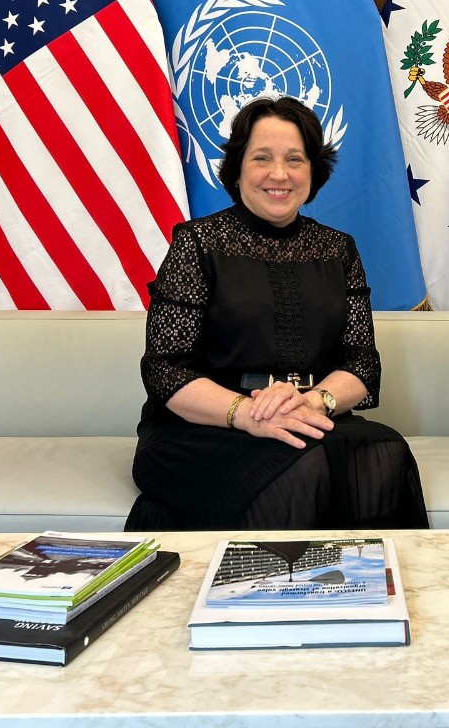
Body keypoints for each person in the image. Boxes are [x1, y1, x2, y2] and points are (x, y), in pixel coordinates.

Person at [126, 96, 429, 531]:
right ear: (238, 168)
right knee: (298, 462)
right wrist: (246, 413)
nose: (279, 174)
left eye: (294, 159)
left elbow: (361, 363)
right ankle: (279, 595)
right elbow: (166, 372)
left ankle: (359, 595)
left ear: (313, 170)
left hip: (308, 413)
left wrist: (314, 401)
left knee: (385, 450)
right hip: (206, 427)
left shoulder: (339, 250)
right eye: (262, 158)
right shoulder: (197, 243)